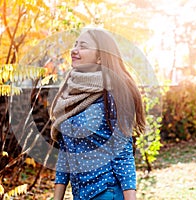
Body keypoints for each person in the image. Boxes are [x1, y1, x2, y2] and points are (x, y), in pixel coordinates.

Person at [50, 28, 145, 200]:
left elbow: (122, 153)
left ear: (100, 57)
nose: (75, 50)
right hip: (80, 195)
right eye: (75, 44)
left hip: (106, 193)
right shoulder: (70, 92)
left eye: (83, 46)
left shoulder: (113, 93)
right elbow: (66, 152)